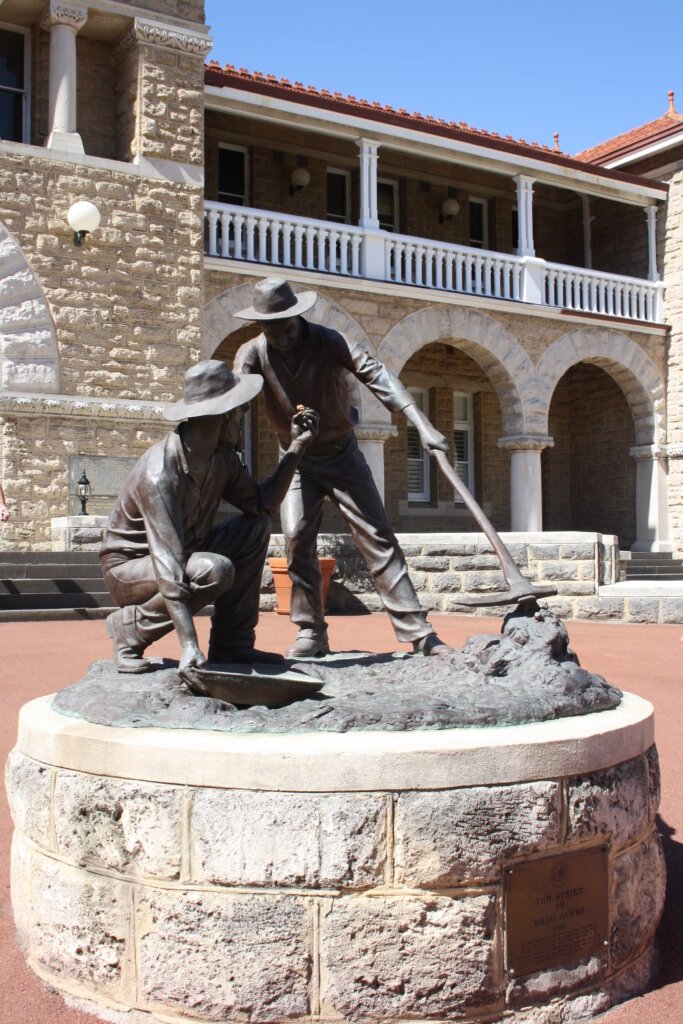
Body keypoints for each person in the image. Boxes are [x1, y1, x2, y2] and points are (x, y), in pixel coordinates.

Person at [233, 276, 453, 659]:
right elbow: (236, 401)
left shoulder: (328, 340)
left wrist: (421, 423)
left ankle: (419, 633)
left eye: (284, 329)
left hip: (341, 453)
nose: (280, 339)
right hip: (296, 459)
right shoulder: (252, 353)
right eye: (269, 330)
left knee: (377, 536)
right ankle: (311, 631)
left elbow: (377, 374)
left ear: (296, 317)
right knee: (296, 537)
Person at [100, 359, 318, 673]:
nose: (241, 420)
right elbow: (167, 561)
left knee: (254, 527)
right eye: (240, 412)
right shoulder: (159, 473)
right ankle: (129, 630)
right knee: (214, 570)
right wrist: (189, 646)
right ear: (224, 416)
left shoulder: (223, 459)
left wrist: (296, 447)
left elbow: (261, 505)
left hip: (184, 552)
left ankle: (233, 644)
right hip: (130, 566)